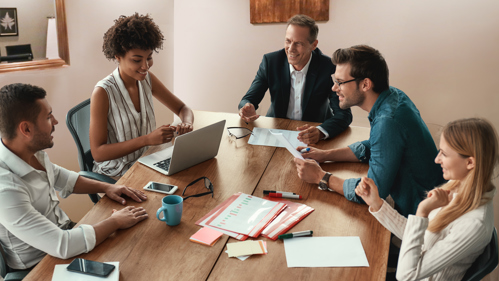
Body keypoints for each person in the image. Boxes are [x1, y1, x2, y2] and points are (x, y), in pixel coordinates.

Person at [0, 83, 148, 271]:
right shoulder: (5, 190)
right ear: (26, 130)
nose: (55, 121)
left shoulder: (30, 152)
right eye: (48, 117)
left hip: (65, 235)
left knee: (136, 249)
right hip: (40, 265)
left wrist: (107, 187)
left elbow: (64, 178)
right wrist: (115, 221)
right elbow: (63, 245)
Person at [294, 45, 444, 217]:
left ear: (365, 84)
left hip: (421, 217)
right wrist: (325, 155)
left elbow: (371, 192)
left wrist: (321, 177)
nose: (334, 88)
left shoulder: (388, 122)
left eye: (340, 82)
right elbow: (376, 145)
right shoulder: (393, 96)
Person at [355, 118, 498, 280]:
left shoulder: (474, 224)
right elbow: (419, 237)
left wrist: (422, 211)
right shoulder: (457, 186)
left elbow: (406, 275)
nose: (437, 160)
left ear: (470, 162)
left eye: (444, 154)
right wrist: (376, 204)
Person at [90, 13, 194, 177]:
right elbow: (98, 153)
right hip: (117, 171)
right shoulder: (103, 92)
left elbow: (182, 108)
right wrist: (147, 140)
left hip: (147, 160)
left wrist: (187, 123)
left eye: (149, 58)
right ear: (118, 56)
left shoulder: (147, 80)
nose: (145, 66)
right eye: (137, 60)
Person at [238, 14, 352, 145]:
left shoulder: (328, 67)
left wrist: (320, 131)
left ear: (313, 45)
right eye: (288, 41)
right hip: (276, 131)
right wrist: (246, 107)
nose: (291, 49)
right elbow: (248, 99)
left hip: (312, 134)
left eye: (298, 43)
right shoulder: (271, 62)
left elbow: (344, 115)